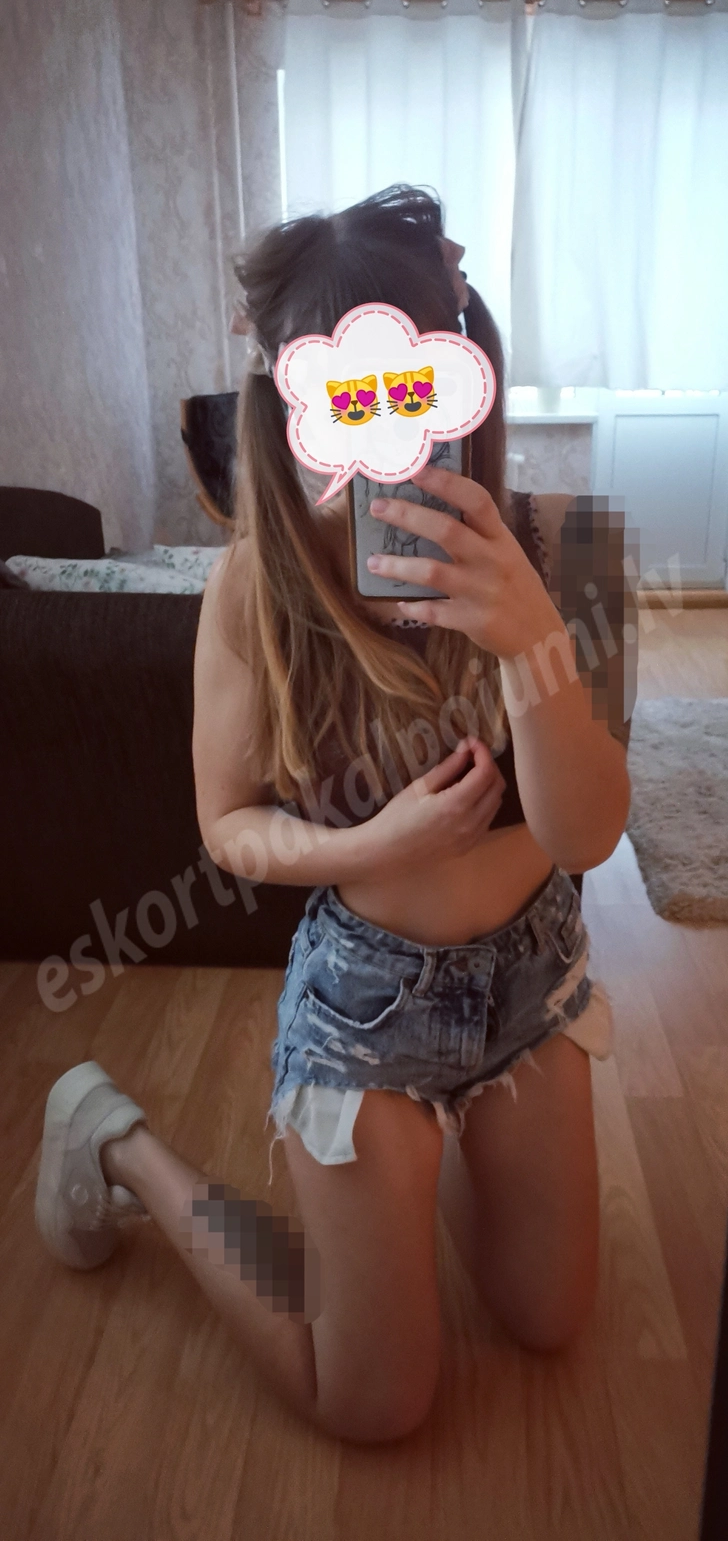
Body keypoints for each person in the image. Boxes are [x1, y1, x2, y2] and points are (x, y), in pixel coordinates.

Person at [34, 185, 631, 1448]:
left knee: (549, 1317)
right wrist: (373, 847)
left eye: (416, 395)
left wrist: (532, 637)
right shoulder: (253, 590)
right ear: (294, 402)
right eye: (353, 405)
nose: (393, 448)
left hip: (530, 988)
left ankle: (437, 1171)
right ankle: (116, 1139)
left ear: (464, 378)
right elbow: (227, 826)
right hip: (362, 1011)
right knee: (372, 1400)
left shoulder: (565, 548)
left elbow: (584, 838)